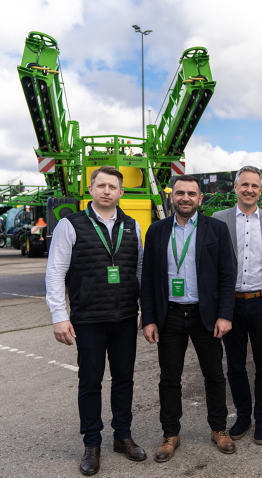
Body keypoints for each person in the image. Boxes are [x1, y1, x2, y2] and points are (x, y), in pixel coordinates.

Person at [45, 166, 146, 476]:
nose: (106, 191)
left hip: (125, 318)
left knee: (124, 379)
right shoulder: (70, 224)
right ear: (90, 189)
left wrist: (144, 309)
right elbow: (55, 271)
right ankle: (92, 443)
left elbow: (139, 271)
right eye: (101, 185)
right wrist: (59, 316)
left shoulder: (132, 225)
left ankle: (122, 436)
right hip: (88, 319)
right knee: (90, 382)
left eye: (112, 186)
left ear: (121, 192)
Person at [140, 175, 237, 462]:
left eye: (191, 194)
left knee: (214, 375)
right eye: (180, 193)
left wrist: (225, 314)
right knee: (169, 378)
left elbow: (227, 274)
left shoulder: (216, 229)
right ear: (171, 196)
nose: (185, 198)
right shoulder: (156, 230)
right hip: (169, 315)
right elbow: (148, 278)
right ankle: (170, 434)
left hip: (205, 315)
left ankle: (219, 429)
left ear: (200, 198)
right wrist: (149, 318)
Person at [213, 166, 262, 445]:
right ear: (235, 187)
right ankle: (243, 416)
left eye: (254, 186)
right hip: (230, 304)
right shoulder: (219, 219)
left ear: (260, 190)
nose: (249, 190)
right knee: (235, 365)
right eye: (244, 185)